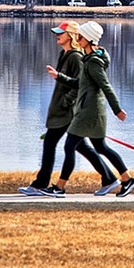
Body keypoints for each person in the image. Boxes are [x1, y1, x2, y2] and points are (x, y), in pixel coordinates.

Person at [47, 20, 134, 197]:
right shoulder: (88, 60)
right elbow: (79, 83)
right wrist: (59, 76)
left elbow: (106, 86)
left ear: (88, 39)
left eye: (80, 36)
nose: (77, 38)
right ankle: (127, 180)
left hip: (90, 112)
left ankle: (59, 188)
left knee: (70, 146)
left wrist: (117, 110)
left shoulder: (93, 63)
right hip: (87, 110)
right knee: (101, 147)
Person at [18, 20, 90, 196]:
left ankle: (41, 184)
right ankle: (110, 178)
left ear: (71, 35)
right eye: (57, 32)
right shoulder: (64, 54)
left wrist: (67, 102)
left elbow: (80, 85)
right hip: (61, 110)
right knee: (82, 147)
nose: (57, 35)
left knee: (51, 143)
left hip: (66, 111)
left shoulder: (75, 57)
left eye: (61, 32)